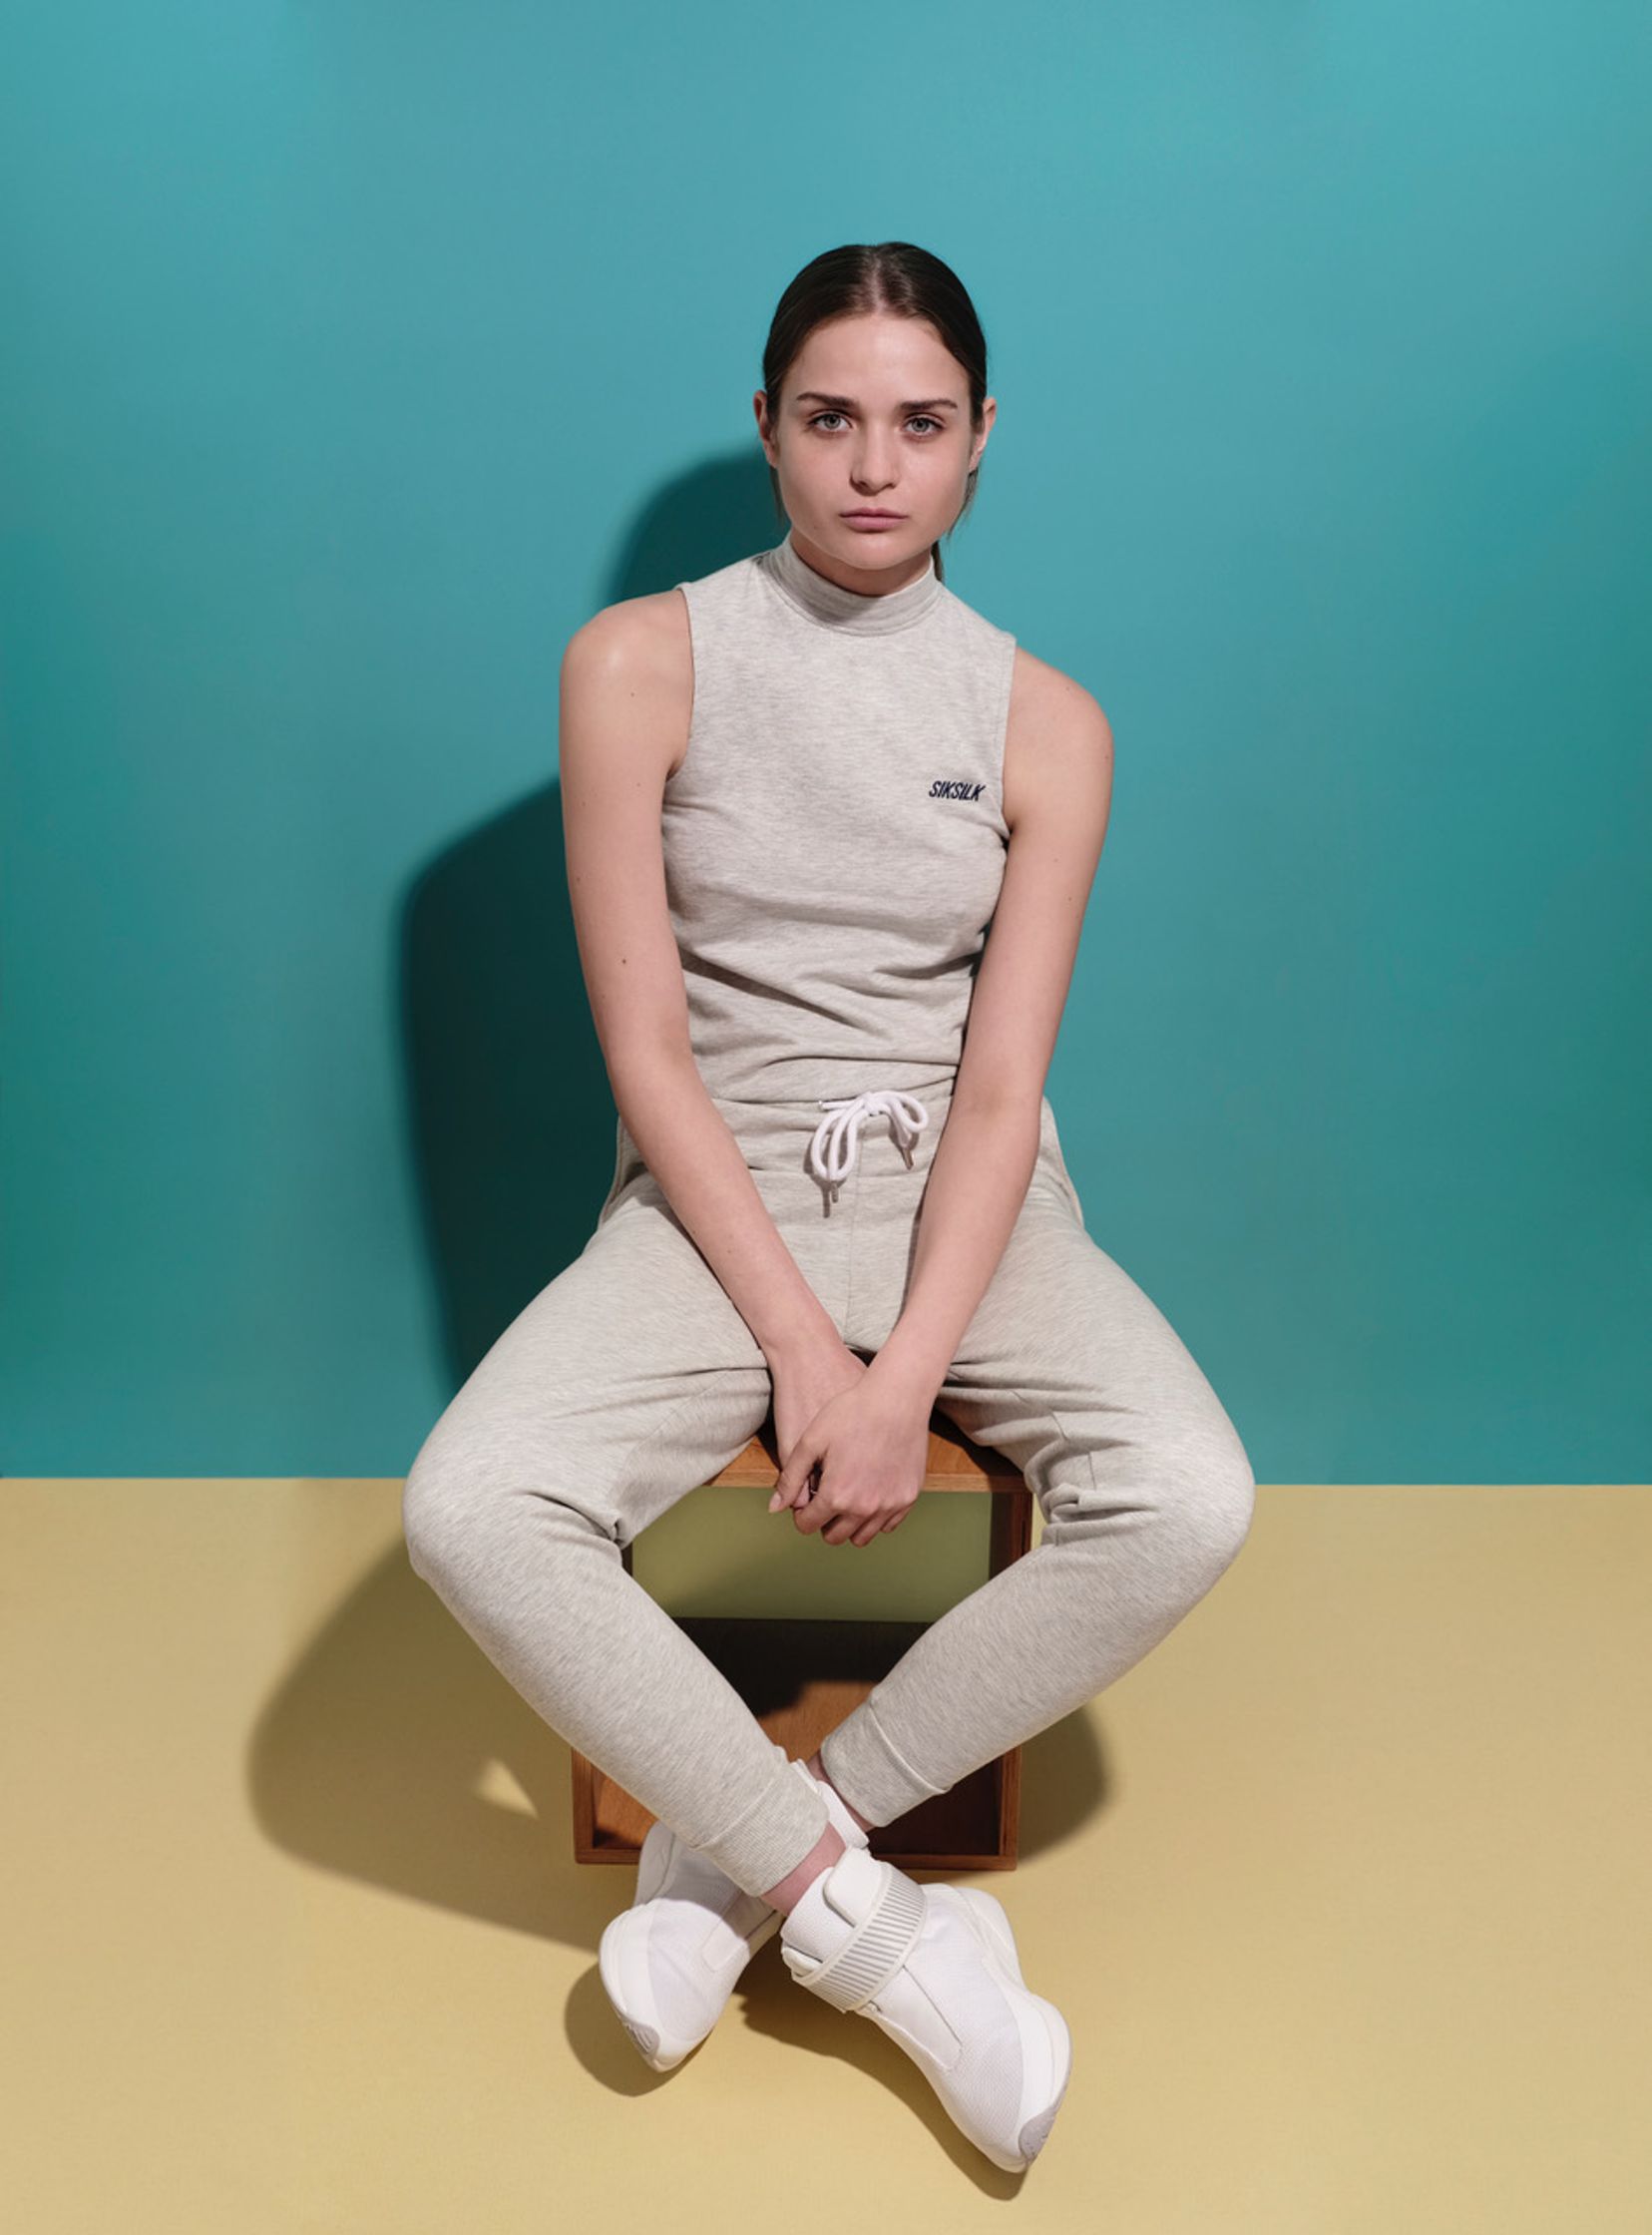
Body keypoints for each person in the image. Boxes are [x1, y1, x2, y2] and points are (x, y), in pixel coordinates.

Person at [402, 241, 1256, 2174]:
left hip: (971, 1201)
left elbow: (1002, 1089)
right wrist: (804, 1346)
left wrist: (908, 1372)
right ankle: (878, 1934)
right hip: (718, 1203)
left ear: (982, 438)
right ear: (768, 427)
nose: (876, 467)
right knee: (471, 1505)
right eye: (831, 418)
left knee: (1192, 1493)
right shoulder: (639, 663)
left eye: (921, 424)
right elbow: (647, 1052)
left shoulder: (1050, 723)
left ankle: (755, 1847)